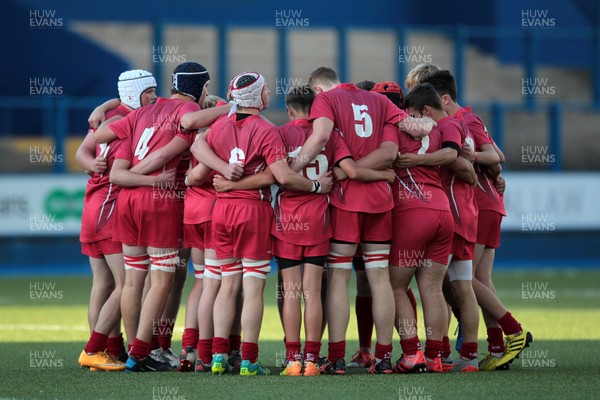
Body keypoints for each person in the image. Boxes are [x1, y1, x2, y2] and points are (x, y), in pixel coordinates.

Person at [191, 71, 334, 376]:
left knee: (226, 285)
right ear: (256, 97)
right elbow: (279, 177)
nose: (269, 92)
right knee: (253, 288)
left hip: (222, 212)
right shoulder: (267, 129)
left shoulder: (220, 124)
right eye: (265, 89)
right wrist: (317, 187)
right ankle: (248, 360)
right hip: (253, 211)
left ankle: (217, 357)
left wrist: (225, 173)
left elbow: (196, 147)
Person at [94, 62, 212, 372]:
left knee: (133, 281)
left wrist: (133, 171)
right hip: (160, 201)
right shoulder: (184, 119)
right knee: (164, 281)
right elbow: (163, 155)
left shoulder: (138, 115)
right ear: (200, 89)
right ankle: (142, 353)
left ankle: (134, 348)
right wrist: (231, 108)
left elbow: (102, 136)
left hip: (127, 202)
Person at [275, 85, 395, 377]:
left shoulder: (281, 133)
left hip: (315, 213)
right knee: (378, 279)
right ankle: (380, 358)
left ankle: (319, 358)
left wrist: (291, 173)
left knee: (314, 286)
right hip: (362, 205)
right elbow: (373, 160)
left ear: (290, 108)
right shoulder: (372, 111)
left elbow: (276, 172)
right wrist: (383, 175)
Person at [423, 70, 533, 370]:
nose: (425, 111)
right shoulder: (467, 121)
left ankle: (513, 331)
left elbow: (495, 157)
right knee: (477, 280)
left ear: (444, 99)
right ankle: (497, 346)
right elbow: (497, 155)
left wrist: (470, 158)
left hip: (478, 204)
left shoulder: (463, 122)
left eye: (428, 104)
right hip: (483, 203)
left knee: (465, 280)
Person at [77, 69, 157, 371]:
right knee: (127, 284)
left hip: (92, 208)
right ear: (135, 92)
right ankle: (96, 349)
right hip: (109, 208)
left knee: (104, 283)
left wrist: (90, 162)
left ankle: (110, 350)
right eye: (149, 91)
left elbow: (81, 152)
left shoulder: (109, 115)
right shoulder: (125, 121)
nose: (154, 97)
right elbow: (84, 155)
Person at [396, 83, 479, 372]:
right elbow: (467, 167)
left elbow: (457, 160)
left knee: (395, 286)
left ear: (424, 111)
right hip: (443, 212)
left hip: (414, 211)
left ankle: (411, 353)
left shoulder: (402, 127)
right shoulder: (439, 129)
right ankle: (436, 356)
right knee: (432, 290)